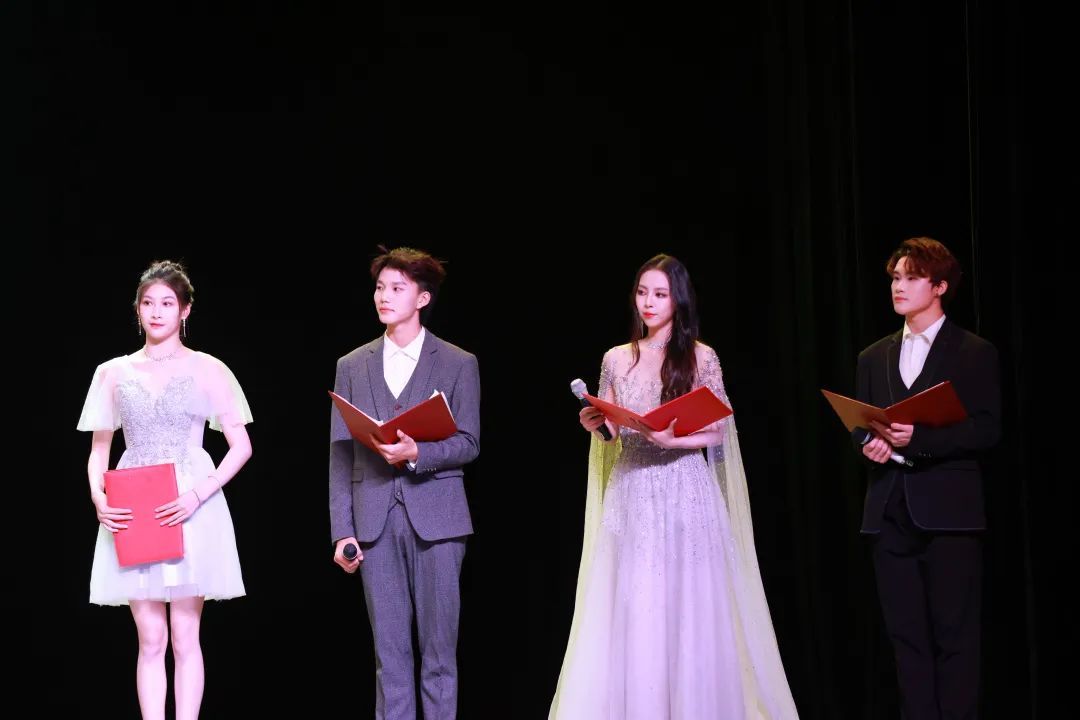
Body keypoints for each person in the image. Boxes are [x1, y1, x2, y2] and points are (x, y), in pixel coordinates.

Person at [549, 253, 799, 719]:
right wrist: (597, 425)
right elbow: (614, 430)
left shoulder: (701, 356)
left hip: (685, 486)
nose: (648, 302)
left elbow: (718, 430)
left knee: (688, 600)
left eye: (660, 294)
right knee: (636, 599)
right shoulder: (616, 357)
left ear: (678, 300)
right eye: (642, 292)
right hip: (632, 488)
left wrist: (673, 438)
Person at [77, 260, 253, 720]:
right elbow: (100, 449)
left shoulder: (207, 368)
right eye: (148, 303)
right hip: (134, 502)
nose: (157, 312)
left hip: (189, 501)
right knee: (150, 638)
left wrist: (199, 493)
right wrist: (98, 496)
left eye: (167, 303)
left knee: (186, 634)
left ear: (185, 310)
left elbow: (241, 446)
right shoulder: (112, 372)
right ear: (137, 309)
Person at [328, 246, 480, 720]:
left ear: (423, 298)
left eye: (397, 288)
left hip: (439, 521)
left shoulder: (457, 362)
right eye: (380, 287)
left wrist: (419, 454)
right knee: (389, 659)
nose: (385, 296)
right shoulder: (352, 365)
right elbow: (340, 453)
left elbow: (469, 441)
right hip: (374, 520)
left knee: (439, 656)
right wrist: (342, 530)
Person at [855, 237, 1001, 720]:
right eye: (896, 277)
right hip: (889, 513)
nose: (899, 286)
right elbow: (861, 426)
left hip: (949, 515)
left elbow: (987, 428)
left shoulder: (974, 351)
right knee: (906, 640)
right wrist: (869, 444)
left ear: (939, 287)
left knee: (955, 638)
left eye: (912, 277)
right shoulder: (873, 356)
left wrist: (919, 439)